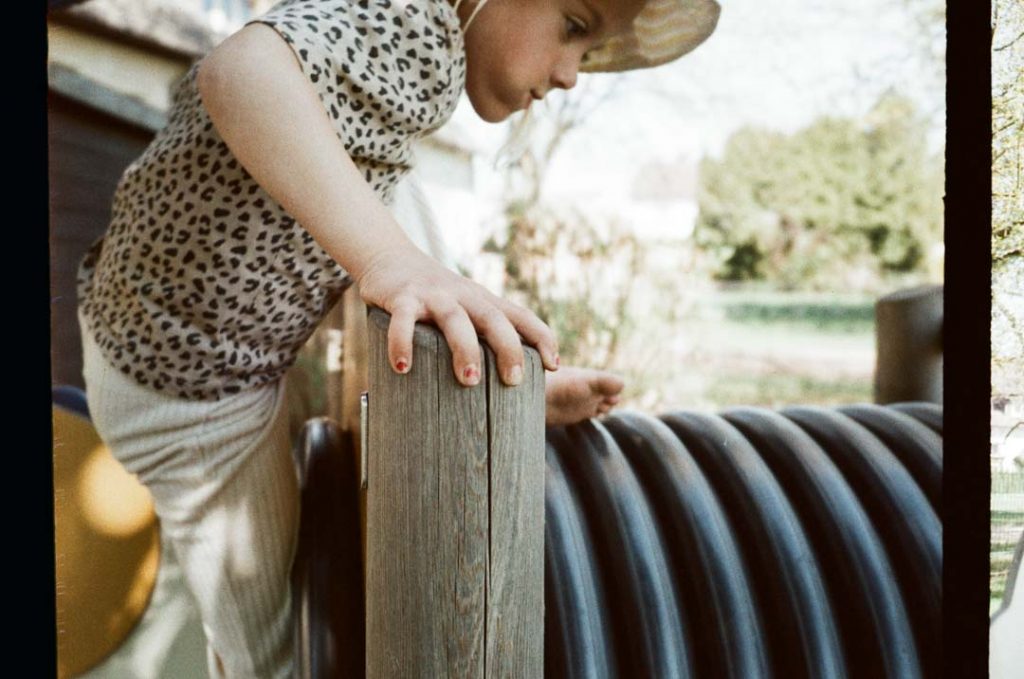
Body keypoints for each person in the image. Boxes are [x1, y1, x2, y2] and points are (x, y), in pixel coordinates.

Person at [75, 0, 720, 675]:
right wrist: (388, 262)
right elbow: (241, 70)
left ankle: (494, 360)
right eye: (576, 27)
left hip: (164, 329)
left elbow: (373, 181)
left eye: (586, 54)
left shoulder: (407, 48)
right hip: (189, 394)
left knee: (391, 186)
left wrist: (408, 265)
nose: (570, 77)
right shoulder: (413, 22)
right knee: (270, 645)